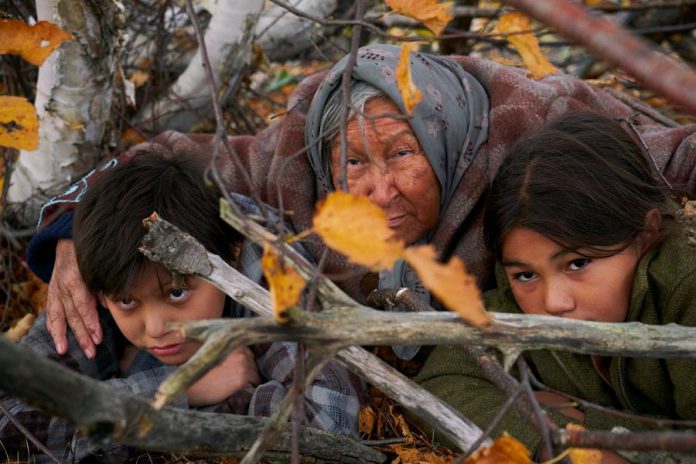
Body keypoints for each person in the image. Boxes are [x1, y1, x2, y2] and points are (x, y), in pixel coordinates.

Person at [26, 44, 696, 360]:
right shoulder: (292, 157)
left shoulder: (530, 123)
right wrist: (68, 234)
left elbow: (665, 152)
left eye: (403, 154)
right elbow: (152, 160)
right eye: (355, 163)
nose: (379, 192)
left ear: (440, 139)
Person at [2, 151, 359, 462]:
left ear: (229, 256)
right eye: (127, 302)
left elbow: (330, 423)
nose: (156, 327)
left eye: (177, 293)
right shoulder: (103, 267)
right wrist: (180, 390)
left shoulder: (269, 270)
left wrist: (126, 394)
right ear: (99, 293)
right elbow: (13, 427)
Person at [414, 112, 696, 460]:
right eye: (526, 275)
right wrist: (552, 436)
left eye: (577, 264)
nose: (554, 303)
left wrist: (585, 422)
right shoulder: (512, 300)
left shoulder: (686, 287)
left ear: (646, 234)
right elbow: (442, 383)